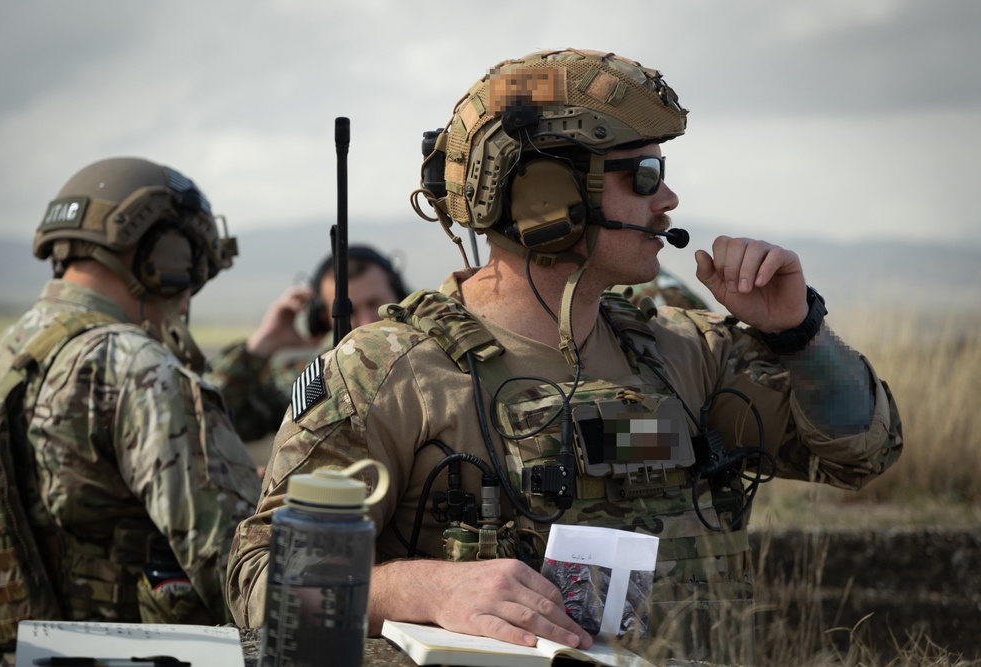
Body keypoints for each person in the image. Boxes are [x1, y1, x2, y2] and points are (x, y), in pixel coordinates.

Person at [226, 49, 902, 662]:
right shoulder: (389, 373)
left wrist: (797, 333)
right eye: (643, 174)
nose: (667, 199)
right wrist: (421, 586)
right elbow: (260, 578)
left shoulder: (688, 351)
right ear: (545, 195)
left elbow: (861, 453)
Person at [0, 157, 261, 643]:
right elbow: (246, 574)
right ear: (167, 259)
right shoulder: (141, 369)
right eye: (193, 267)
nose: (189, 292)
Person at [208, 245, 409, 445]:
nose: (367, 321)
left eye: (375, 304)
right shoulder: (310, 381)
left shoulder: (432, 357)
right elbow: (210, 419)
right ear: (323, 319)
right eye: (349, 311)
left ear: (400, 297)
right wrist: (260, 346)